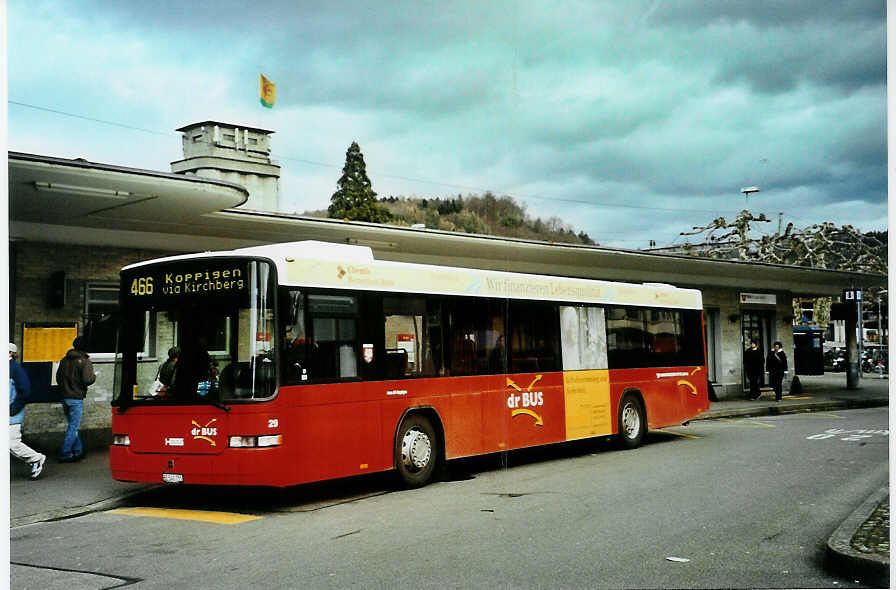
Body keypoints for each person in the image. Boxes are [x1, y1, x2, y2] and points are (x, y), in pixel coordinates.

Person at [56, 336, 96, 462]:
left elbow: (58, 378)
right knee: (73, 427)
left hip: (64, 397)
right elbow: (87, 380)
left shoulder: (64, 360)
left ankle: (78, 451)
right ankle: (65, 453)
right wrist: (94, 376)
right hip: (76, 398)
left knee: (72, 426)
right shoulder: (84, 361)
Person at [9, 343, 46, 479]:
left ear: (10, 353)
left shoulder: (15, 369)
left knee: (11, 444)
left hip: (11, 414)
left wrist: (12, 409)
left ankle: (35, 458)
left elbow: (25, 391)